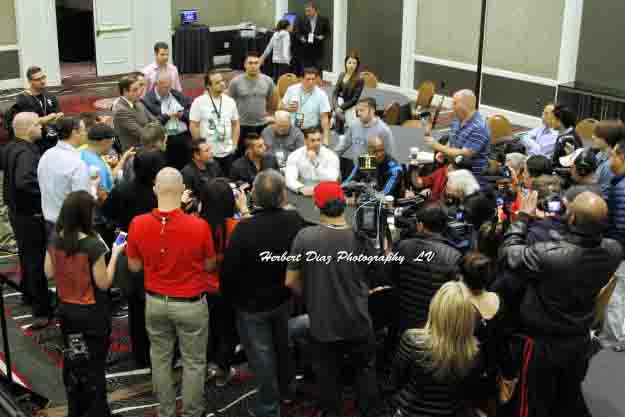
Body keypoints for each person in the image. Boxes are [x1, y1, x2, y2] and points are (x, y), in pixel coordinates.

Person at [499, 191, 622, 417]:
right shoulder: (614, 251)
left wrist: (523, 218)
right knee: (566, 398)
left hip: (542, 345)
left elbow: (508, 254)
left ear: (572, 219)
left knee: (532, 403)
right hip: (579, 340)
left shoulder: (551, 256)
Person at [126, 168, 216, 417]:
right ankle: (191, 412)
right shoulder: (199, 226)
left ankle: (165, 411)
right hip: (190, 304)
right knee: (194, 362)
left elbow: (134, 266)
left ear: (155, 190)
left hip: (155, 302)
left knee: (160, 359)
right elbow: (209, 265)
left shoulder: (138, 223)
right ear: (182, 191)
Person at [285, 181, 379, 417]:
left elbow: (290, 281)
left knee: (328, 377)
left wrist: (311, 294)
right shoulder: (361, 238)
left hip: (323, 325)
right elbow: (373, 275)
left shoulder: (305, 237)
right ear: (344, 204)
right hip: (358, 321)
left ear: (317, 207)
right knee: (365, 372)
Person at [220, 170, 306, 417]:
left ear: (254, 195)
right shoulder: (295, 220)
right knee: (283, 347)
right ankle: (288, 391)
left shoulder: (244, 229)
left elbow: (229, 272)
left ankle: (269, 408)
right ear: (282, 196)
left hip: (251, 306)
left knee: (262, 356)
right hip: (283, 298)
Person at [44, 190, 124, 417]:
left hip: (68, 313)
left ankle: (77, 409)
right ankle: (98, 411)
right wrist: (116, 253)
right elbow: (104, 283)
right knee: (95, 367)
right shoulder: (93, 244)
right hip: (92, 316)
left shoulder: (55, 238)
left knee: (75, 361)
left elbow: (48, 272)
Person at [101, 151, 165, 368]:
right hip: (157, 253)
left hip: (129, 251)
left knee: (136, 306)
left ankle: (141, 354)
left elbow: (105, 213)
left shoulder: (122, 189)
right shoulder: (159, 194)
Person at [385, 281, 479, 417]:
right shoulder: (473, 353)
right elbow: (467, 394)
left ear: (435, 307)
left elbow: (394, 383)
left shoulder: (412, 340)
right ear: (468, 317)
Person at [2, 113, 52, 328]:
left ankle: (28, 294)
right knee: (36, 260)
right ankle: (41, 307)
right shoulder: (26, 154)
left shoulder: (10, 147)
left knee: (27, 256)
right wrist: (44, 192)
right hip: (29, 215)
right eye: (38, 124)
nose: (41, 128)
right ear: (29, 128)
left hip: (16, 213)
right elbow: (24, 182)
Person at [199, 178, 249, 386]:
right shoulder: (236, 226)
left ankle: (203, 367)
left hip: (202, 287)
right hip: (228, 288)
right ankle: (222, 370)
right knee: (227, 330)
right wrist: (244, 209)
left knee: (206, 329)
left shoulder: (196, 224)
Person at [393, 203, 462, 334]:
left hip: (403, 319)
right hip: (435, 325)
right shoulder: (453, 256)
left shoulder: (402, 247)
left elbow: (391, 277)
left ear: (420, 225)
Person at [424, 90, 490, 188]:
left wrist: (437, 146)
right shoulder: (457, 120)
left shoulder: (479, 127)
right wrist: (444, 152)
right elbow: (452, 140)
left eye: (455, 103)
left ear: (465, 105)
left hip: (472, 181)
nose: (452, 107)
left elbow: (463, 155)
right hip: (455, 171)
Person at [37, 116, 90, 233]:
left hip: (49, 221)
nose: (86, 133)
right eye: (84, 130)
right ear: (74, 132)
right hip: (71, 225)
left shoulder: (46, 155)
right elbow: (82, 201)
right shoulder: (77, 163)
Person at [190, 70, 240, 176]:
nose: (222, 84)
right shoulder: (199, 102)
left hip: (228, 151)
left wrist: (234, 145)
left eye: (222, 81)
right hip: (209, 153)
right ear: (208, 86)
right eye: (217, 83)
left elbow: (235, 124)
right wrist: (201, 148)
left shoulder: (230, 101)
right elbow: (194, 125)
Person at [229, 52, 277, 159]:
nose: (253, 66)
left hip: (262, 125)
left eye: (256, 63)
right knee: (241, 155)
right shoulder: (235, 82)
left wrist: (269, 115)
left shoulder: (268, 81)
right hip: (242, 125)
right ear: (245, 65)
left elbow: (273, 102)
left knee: (262, 154)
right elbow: (229, 103)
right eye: (250, 63)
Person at [142, 70, 193, 170]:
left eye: (170, 86)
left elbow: (191, 110)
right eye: (166, 87)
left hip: (184, 137)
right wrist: (168, 116)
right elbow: (152, 124)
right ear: (156, 84)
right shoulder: (147, 100)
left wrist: (182, 115)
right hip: (165, 141)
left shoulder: (176, 94)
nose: (169, 89)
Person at [335, 97, 395, 180]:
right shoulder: (354, 125)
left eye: (362, 110)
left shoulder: (383, 130)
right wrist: (330, 157)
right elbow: (342, 146)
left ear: (372, 110)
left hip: (375, 176)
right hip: (357, 172)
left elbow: (389, 157)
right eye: (357, 111)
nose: (358, 113)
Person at [602, 139, 625, 350]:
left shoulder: (622, 188)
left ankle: (616, 338)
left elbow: (621, 225)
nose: (610, 160)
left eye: (613, 155)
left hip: (620, 248)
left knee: (616, 293)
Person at [9, 66, 63, 153]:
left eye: (43, 77)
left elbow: (59, 113)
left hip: (53, 140)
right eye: (38, 79)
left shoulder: (49, 95)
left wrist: (57, 116)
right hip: (36, 144)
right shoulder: (23, 98)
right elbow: (30, 122)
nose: (42, 81)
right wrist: (50, 117)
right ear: (30, 81)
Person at [281, 67, 331, 145]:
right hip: (292, 129)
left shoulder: (321, 94)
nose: (311, 82)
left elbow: (324, 117)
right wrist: (287, 108)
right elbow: (280, 106)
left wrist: (325, 138)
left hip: (311, 131)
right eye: (308, 79)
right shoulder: (292, 89)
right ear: (301, 79)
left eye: (313, 79)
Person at [285, 127, 340, 196]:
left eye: (318, 140)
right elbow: (289, 178)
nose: (316, 143)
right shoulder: (295, 155)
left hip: (325, 193)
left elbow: (333, 178)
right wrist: (300, 188)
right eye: (312, 140)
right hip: (304, 192)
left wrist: (316, 163)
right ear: (305, 141)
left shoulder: (331, 156)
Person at [113, 75, 156, 151]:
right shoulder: (121, 111)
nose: (139, 92)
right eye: (135, 90)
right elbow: (143, 134)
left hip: (148, 147)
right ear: (125, 91)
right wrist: (152, 128)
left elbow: (155, 120)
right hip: (135, 152)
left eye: (138, 89)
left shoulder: (138, 102)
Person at [331, 51, 364, 131]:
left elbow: (354, 100)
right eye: (349, 62)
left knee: (351, 128)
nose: (351, 65)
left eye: (354, 63)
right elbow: (335, 93)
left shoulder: (360, 79)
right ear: (345, 63)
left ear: (357, 65)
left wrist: (341, 108)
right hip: (339, 103)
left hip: (350, 106)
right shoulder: (342, 75)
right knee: (333, 122)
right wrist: (336, 106)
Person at [294, 2, 331, 71]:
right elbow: (296, 32)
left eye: (309, 11)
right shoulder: (301, 19)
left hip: (318, 51)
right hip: (305, 51)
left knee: (317, 73)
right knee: (306, 72)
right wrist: (301, 37)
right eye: (306, 11)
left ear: (315, 10)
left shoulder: (324, 20)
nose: (307, 13)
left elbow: (328, 33)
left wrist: (322, 37)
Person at [593, 120, 624, 199]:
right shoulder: (600, 153)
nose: (593, 137)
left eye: (597, 135)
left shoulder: (610, 165)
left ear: (607, 138)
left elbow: (603, 194)